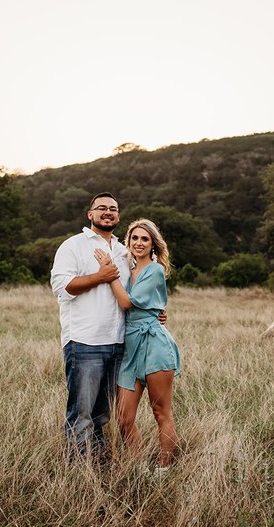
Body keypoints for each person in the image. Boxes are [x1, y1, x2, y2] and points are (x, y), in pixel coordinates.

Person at [50, 192, 131, 462]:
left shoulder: (123, 251)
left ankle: (97, 464)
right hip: (84, 342)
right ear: (90, 214)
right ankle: (78, 472)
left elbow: (131, 292)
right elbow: (61, 287)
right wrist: (100, 276)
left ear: (118, 215)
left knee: (102, 415)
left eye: (113, 209)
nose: (108, 212)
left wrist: (156, 313)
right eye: (101, 208)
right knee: (81, 414)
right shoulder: (73, 245)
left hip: (118, 343)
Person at [95, 218, 180, 473]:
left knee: (160, 412)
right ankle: (140, 468)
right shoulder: (125, 269)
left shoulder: (154, 270)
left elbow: (127, 303)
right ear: (128, 241)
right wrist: (114, 272)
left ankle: (163, 470)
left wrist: (108, 274)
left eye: (145, 239)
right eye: (135, 238)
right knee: (124, 417)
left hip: (154, 344)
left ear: (153, 244)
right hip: (130, 348)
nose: (139, 243)